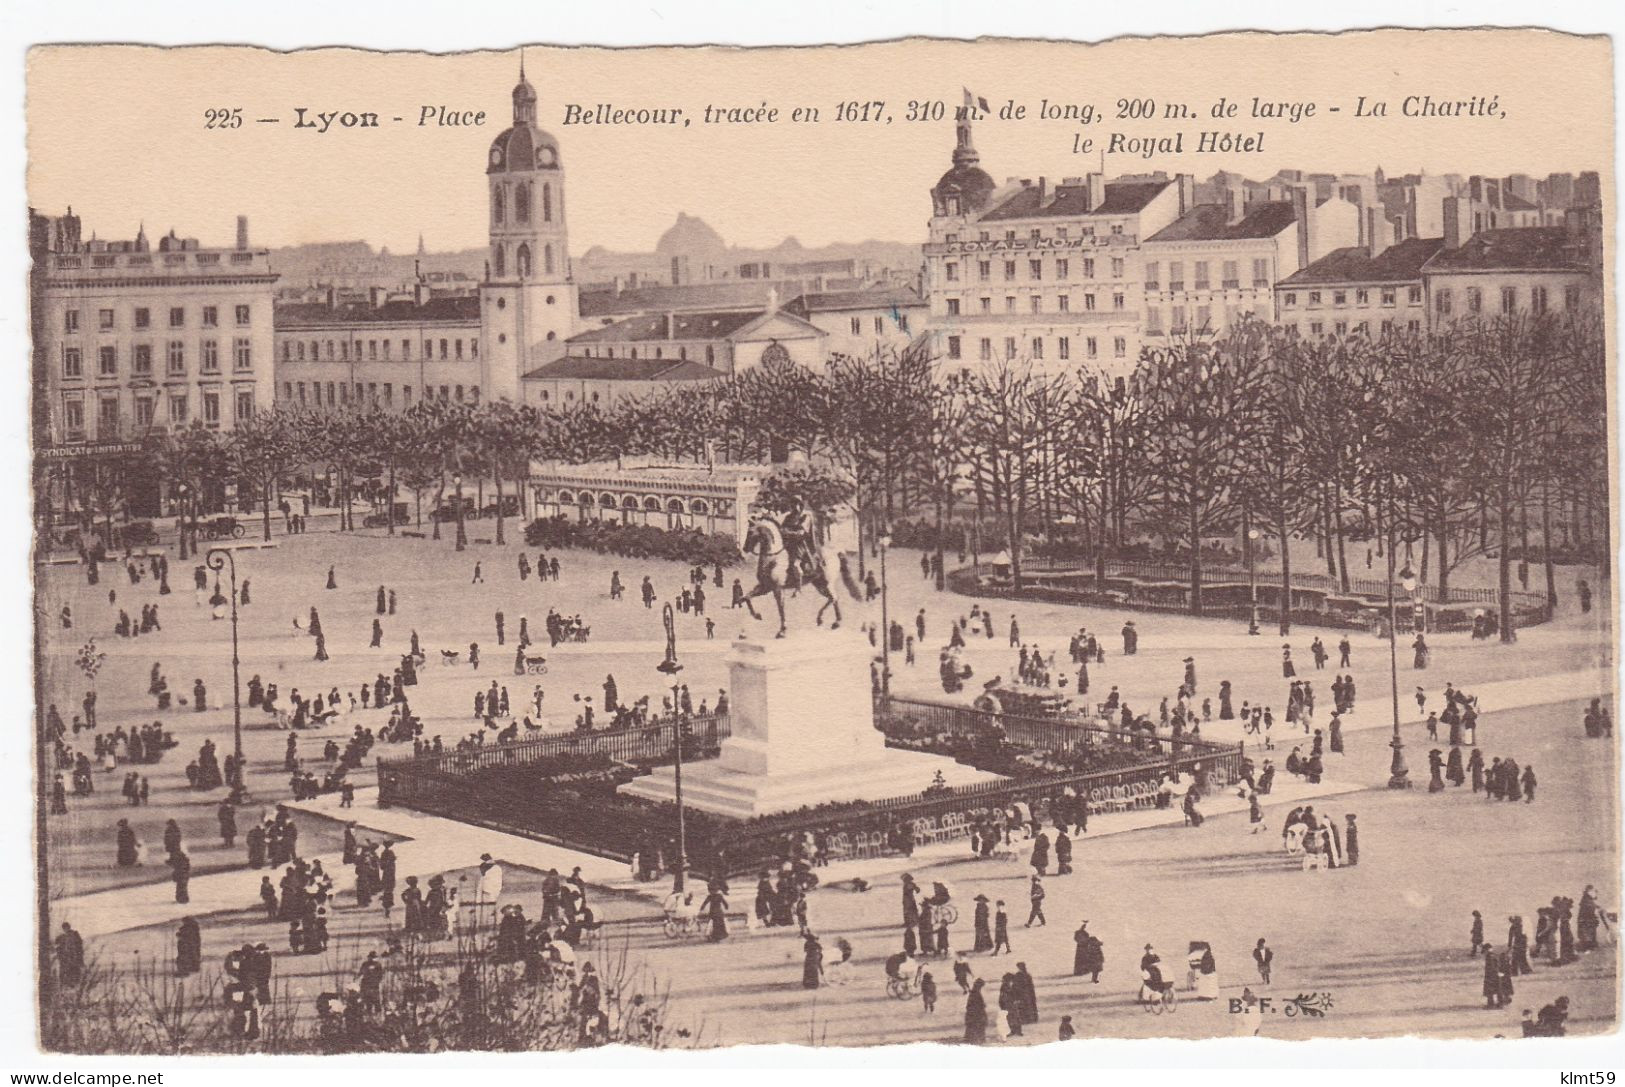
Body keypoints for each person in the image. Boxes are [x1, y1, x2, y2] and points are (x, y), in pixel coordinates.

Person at [55, 923, 85, 989]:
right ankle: (67, 985)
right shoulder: (61, 937)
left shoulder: (74, 934)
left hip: (74, 956)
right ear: (63, 929)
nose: (66, 929)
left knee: (74, 970)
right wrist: (60, 955)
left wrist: (79, 956)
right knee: (66, 971)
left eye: (67, 927)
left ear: (69, 927)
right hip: (65, 958)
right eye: (64, 928)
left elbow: (79, 945)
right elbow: (58, 947)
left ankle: (75, 984)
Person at [964, 978, 989, 1044]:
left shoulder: (974, 992)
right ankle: (978, 1039)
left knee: (974, 1026)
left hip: (973, 1013)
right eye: (981, 986)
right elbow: (975, 1005)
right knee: (978, 1025)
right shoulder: (976, 993)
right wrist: (982, 1006)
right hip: (976, 1013)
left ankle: (973, 1039)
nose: (981, 987)